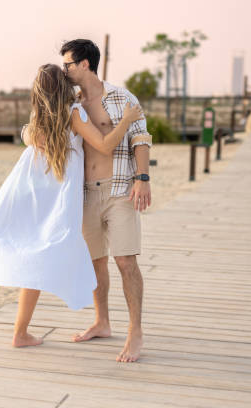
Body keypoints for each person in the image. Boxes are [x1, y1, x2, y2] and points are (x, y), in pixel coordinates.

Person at [0, 64, 142, 348]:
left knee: (27, 252)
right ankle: (20, 328)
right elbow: (104, 145)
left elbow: (31, 137)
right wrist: (127, 120)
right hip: (54, 196)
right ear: (63, 87)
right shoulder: (73, 114)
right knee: (42, 252)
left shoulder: (37, 119)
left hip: (23, 189)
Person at [61, 39, 152, 363]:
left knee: (125, 261)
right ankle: (102, 322)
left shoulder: (121, 97)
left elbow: (140, 137)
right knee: (95, 261)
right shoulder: (70, 102)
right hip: (85, 193)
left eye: (68, 64)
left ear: (85, 64)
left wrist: (142, 178)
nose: (65, 69)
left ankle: (135, 331)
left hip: (119, 191)